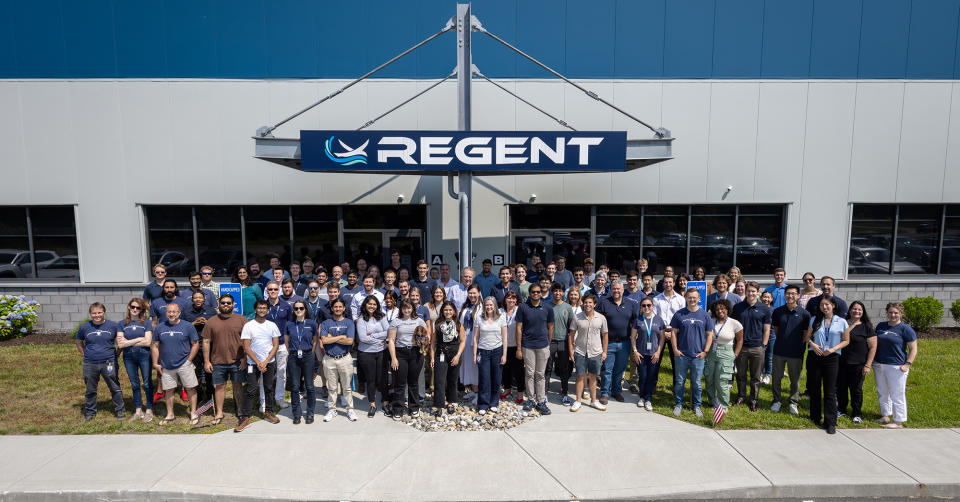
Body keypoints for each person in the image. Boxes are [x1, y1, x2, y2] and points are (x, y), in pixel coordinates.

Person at [804, 296, 849, 434]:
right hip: (815, 356)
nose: (824, 307)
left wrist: (833, 349)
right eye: (822, 305)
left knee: (829, 391)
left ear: (833, 305)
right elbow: (807, 337)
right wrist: (812, 344)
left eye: (827, 304)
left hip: (831, 357)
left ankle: (830, 422)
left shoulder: (841, 322)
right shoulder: (814, 320)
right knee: (815, 388)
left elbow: (846, 340)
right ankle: (815, 417)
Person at [235, 300, 281, 431]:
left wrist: (265, 361)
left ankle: (269, 412)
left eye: (264, 308)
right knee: (250, 389)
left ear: (268, 310)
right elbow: (246, 347)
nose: (262, 310)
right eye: (259, 308)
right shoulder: (249, 326)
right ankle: (245, 417)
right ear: (255, 310)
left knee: (268, 388)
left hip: (269, 363)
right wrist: (258, 362)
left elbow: (276, 345)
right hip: (252, 363)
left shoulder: (272, 325)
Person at [202, 294, 247, 427]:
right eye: (223, 303)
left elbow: (248, 342)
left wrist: (245, 358)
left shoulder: (242, 320)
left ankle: (240, 411)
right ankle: (219, 412)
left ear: (233, 305)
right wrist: (206, 361)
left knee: (237, 386)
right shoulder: (211, 321)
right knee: (220, 387)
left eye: (228, 303)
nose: (225, 305)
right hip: (217, 361)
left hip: (237, 360)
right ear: (219, 305)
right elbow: (205, 341)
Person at [152, 302, 201, 426]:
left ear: (179, 313)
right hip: (166, 365)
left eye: (174, 312)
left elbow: (195, 344)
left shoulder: (188, 326)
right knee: (169, 390)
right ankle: (170, 414)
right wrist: (155, 363)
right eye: (169, 311)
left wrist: (189, 360)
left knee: (190, 388)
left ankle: (194, 413)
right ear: (166, 313)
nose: (171, 314)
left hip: (184, 363)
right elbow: (155, 346)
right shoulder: (160, 327)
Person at [668, 288, 715, 417]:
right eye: (690, 297)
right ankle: (678, 404)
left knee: (697, 383)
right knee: (679, 382)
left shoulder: (704, 315)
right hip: (681, 355)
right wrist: (675, 350)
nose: (692, 300)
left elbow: (709, 335)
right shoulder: (679, 314)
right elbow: (673, 333)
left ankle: (697, 405)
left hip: (698, 356)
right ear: (686, 298)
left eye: (694, 297)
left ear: (699, 299)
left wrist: (705, 351)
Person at [873, 302, 918, 429]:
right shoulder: (881, 326)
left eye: (896, 313)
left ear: (901, 314)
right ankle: (885, 415)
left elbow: (913, 349)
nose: (893, 315)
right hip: (879, 364)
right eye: (891, 312)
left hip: (897, 366)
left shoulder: (906, 329)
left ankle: (898, 421)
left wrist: (907, 364)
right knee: (883, 392)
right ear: (887, 313)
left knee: (897, 393)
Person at [76, 302, 124, 421]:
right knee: (90, 389)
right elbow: (79, 341)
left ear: (104, 312)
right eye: (94, 313)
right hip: (90, 363)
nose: (97, 315)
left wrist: (116, 355)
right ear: (90, 314)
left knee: (114, 386)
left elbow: (120, 342)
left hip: (109, 362)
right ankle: (90, 412)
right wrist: (84, 354)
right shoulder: (84, 327)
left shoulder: (113, 326)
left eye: (99, 312)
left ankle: (120, 410)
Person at [770, 285, 811, 416]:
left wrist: (797, 345)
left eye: (793, 294)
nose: (790, 296)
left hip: (796, 352)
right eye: (788, 293)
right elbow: (776, 330)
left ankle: (793, 402)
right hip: (779, 350)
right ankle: (777, 400)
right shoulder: (778, 311)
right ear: (784, 295)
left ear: (798, 296)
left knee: (795, 380)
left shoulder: (804, 314)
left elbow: (805, 334)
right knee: (776, 377)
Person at [731, 281, 771, 411]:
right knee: (741, 375)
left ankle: (754, 400)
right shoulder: (738, 307)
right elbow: (733, 327)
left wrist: (764, 345)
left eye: (754, 291)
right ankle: (741, 396)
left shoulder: (764, 308)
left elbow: (767, 329)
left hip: (757, 347)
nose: (751, 293)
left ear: (758, 292)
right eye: (749, 291)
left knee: (755, 376)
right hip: (741, 347)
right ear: (745, 292)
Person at [516, 282, 555, 414]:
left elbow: (550, 327)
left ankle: (541, 401)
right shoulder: (522, 307)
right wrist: (519, 348)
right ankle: (531, 400)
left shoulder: (548, 308)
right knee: (529, 373)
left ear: (541, 293)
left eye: (538, 292)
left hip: (543, 345)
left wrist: (548, 344)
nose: (536, 294)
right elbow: (519, 328)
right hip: (528, 346)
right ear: (530, 293)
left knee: (540, 374)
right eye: (533, 292)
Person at [596, 280, 636, 404]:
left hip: (624, 343)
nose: (616, 291)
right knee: (607, 369)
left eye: (618, 289)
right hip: (609, 342)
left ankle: (616, 391)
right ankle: (604, 393)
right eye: (614, 289)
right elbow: (597, 320)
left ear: (623, 290)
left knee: (620, 369)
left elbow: (635, 321)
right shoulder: (604, 303)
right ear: (610, 290)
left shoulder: (630, 304)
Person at [837, 300, 876, 425]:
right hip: (841, 362)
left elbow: (873, 347)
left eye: (859, 310)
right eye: (854, 309)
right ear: (849, 310)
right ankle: (842, 409)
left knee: (856, 390)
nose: (856, 311)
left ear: (863, 312)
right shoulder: (842, 323)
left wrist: (867, 365)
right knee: (841, 388)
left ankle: (857, 414)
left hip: (858, 364)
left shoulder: (867, 327)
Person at [319, 298, 357, 422]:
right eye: (335, 307)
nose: (338, 309)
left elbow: (350, 341)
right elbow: (324, 340)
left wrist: (332, 337)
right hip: (329, 359)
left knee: (346, 387)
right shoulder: (326, 323)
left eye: (340, 306)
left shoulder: (349, 323)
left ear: (344, 308)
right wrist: (341, 336)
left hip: (345, 358)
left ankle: (350, 409)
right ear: (332, 308)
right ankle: (332, 409)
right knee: (332, 387)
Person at [116, 298, 154, 422]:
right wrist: (139, 339)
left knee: (147, 383)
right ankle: (138, 410)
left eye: (138, 308)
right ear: (129, 307)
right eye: (133, 307)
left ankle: (149, 410)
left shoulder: (146, 323)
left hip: (144, 355)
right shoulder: (122, 324)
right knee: (134, 383)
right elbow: (120, 345)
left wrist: (129, 341)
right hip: (128, 357)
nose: (135, 310)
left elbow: (148, 342)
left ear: (142, 309)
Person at [569, 294, 608, 412]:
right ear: (583, 304)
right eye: (586, 302)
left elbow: (605, 335)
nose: (588, 305)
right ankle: (578, 401)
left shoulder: (601, 318)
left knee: (593, 377)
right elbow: (571, 335)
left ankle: (593, 401)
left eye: (590, 302)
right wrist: (571, 351)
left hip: (596, 352)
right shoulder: (577, 317)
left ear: (594, 304)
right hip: (580, 351)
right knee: (580, 376)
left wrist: (605, 351)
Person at [702, 299, 742, 417]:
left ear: (727, 309)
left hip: (726, 352)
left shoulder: (735, 323)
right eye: (717, 309)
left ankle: (723, 405)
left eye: (722, 308)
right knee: (709, 378)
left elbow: (740, 340)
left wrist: (735, 354)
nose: (720, 311)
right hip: (711, 352)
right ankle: (712, 402)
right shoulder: (711, 321)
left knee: (722, 380)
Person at [388, 300, 427, 418]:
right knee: (400, 383)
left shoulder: (419, 321)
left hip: (415, 352)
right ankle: (398, 409)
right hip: (401, 353)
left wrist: (423, 345)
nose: (407, 310)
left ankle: (414, 407)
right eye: (404, 308)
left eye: (409, 308)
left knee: (413, 382)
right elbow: (391, 340)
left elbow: (426, 336)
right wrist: (393, 358)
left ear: (413, 309)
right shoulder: (396, 321)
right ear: (401, 309)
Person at [284, 300, 319, 424]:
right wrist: (291, 352)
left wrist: (311, 353)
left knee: (309, 386)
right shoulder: (289, 324)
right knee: (294, 386)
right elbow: (286, 341)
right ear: (293, 310)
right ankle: (297, 414)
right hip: (294, 356)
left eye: (301, 308)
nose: (298, 310)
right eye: (296, 308)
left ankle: (310, 413)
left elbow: (315, 341)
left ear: (305, 310)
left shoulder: (312, 323)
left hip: (308, 355)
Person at [630, 296, 666, 411]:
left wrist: (658, 352)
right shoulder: (638, 320)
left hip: (654, 354)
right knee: (643, 376)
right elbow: (632, 337)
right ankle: (642, 397)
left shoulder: (659, 320)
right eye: (644, 305)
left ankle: (648, 399)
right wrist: (635, 351)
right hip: (641, 353)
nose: (646, 307)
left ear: (653, 306)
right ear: (641, 307)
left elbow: (662, 337)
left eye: (648, 305)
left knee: (651, 377)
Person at [356, 296, 390, 418]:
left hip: (382, 352)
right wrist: (380, 340)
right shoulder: (361, 319)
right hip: (366, 354)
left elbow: (388, 332)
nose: (372, 306)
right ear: (365, 305)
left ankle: (385, 403)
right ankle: (373, 405)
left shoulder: (382, 316)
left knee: (383, 379)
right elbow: (363, 338)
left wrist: (373, 336)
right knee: (371, 380)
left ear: (377, 306)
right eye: (369, 304)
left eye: (374, 304)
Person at [181, 291, 217, 404]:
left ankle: (211, 396)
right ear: (192, 300)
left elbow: (216, 326)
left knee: (209, 372)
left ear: (204, 299)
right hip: (193, 346)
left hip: (208, 346)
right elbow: (181, 327)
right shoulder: (186, 312)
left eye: (200, 298)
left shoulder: (211, 310)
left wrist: (208, 324)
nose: (198, 300)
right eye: (195, 298)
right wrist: (193, 323)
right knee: (195, 373)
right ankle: (199, 396)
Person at [474, 296, 508, 415]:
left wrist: (504, 354)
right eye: (486, 305)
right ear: (484, 306)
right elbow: (475, 338)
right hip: (483, 352)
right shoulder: (479, 318)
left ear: (495, 306)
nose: (488, 307)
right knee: (484, 379)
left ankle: (494, 403)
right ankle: (483, 404)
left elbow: (505, 338)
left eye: (491, 305)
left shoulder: (501, 318)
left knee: (496, 378)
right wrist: (474, 354)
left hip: (497, 351)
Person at [432, 301, 466, 415]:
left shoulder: (458, 324)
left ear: (454, 311)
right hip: (440, 353)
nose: (448, 312)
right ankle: (439, 405)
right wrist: (432, 357)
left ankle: (451, 402)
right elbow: (433, 342)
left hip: (454, 353)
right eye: (446, 310)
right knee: (439, 380)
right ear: (442, 311)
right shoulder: (438, 323)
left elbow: (463, 341)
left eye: (450, 310)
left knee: (452, 379)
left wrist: (458, 355)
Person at [263, 281, 292, 412]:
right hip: (266, 345)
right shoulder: (263, 306)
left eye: (275, 289)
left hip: (281, 345)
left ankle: (279, 398)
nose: (273, 291)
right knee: (264, 373)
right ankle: (264, 401)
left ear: (279, 290)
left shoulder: (286, 306)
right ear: (267, 291)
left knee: (281, 373)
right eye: (270, 289)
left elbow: (290, 326)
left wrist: (289, 344)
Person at [546, 282, 575, 404]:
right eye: (555, 291)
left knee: (564, 368)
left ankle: (564, 392)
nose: (558, 293)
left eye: (560, 291)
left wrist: (571, 343)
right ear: (552, 292)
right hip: (550, 342)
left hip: (563, 341)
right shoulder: (547, 306)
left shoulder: (567, 307)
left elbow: (571, 326)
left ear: (564, 293)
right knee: (547, 368)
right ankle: (544, 392)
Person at [653, 275, 684, 388]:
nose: (668, 284)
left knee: (676, 362)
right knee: (656, 360)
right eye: (666, 282)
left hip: (675, 333)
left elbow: (681, 318)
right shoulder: (656, 299)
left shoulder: (681, 299)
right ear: (663, 284)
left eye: (670, 282)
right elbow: (655, 317)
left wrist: (672, 332)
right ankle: (653, 386)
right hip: (660, 332)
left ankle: (677, 387)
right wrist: (663, 332)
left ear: (674, 283)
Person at [499, 291, 525, 403]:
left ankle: (520, 393)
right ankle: (507, 389)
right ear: (505, 300)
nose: (511, 300)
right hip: (503, 346)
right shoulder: (500, 312)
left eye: (513, 298)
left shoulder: (519, 310)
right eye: (509, 298)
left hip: (516, 345)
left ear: (516, 300)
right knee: (505, 369)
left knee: (519, 370)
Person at [459, 284, 482, 401]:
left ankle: (479, 393)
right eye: (470, 293)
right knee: (467, 366)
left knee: (475, 367)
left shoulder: (482, 307)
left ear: (479, 293)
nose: (472, 295)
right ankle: (473, 390)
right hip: (465, 340)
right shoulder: (466, 306)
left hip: (476, 340)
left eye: (474, 293)